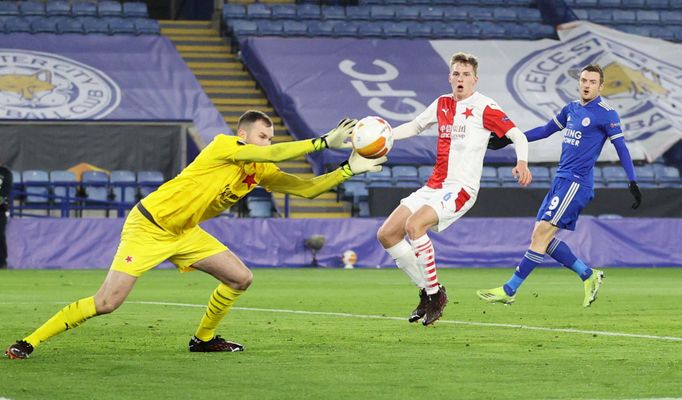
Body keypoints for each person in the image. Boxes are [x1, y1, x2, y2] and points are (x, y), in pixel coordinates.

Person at [5, 110, 386, 359]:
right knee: (107, 303)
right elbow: (275, 156)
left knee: (241, 277)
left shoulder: (259, 168)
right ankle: (29, 341)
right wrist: (320, 142)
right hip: (149, 227)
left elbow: (306, 189)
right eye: (263, 136)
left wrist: (349, 170)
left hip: (186, 232)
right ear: (243, 135)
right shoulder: (223, 146)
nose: (267, 142)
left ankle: (203, 340)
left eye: (271, 137)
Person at [376, 52, 532, 326]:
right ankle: (427, 292)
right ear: (450, 77)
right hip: (434, 185)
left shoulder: (485, 107)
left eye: (466, 75)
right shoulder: (442, 104)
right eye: (456, 74)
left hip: (461, 188)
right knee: (387, 234)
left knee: (414, 226)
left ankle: (435, 296)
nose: (461, 79)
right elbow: (415, 126)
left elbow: (517, 134)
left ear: (475, 79)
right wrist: (385, 136)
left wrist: (522, 162)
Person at [477, 64, 642, 307]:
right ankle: (588, 275)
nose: (586, 85)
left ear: (600, 86)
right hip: (561, 180)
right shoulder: (571, 109)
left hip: (577, 183)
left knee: (542, 233)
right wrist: (509, 139)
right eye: (584, 80)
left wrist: (632, 180)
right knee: (541, 237)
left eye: (592, 82)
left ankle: (509, 289)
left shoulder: (607, 113)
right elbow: (545, 131)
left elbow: (621, 148)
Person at [0, 162, 12, 269]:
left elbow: (4, 194)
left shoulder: (6, 173)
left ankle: (2, 262)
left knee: (0, 235)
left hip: (0, 210)